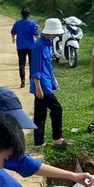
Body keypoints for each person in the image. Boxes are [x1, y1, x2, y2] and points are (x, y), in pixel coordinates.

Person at [31, 17, 72, 149]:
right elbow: (35, 69)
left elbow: (48, 65)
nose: (57, 35)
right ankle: (57, 138)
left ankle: (39, 142)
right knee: (56, 108)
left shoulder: (48, 44)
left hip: (47, 80)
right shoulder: (39, 46)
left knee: (40, 112)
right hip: (42, 84)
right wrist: (38, 87)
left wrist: (54, 78)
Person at [11, 8, 39, 87]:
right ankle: (31, 80)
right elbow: (36, 35)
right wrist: (40, 42)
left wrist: (13, 39)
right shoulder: (32, 24)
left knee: (21, 64)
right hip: (31, 47)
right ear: (29, 15)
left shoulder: (17, 23)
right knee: (31, 64)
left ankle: (22, 80)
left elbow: (13, 32)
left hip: (20, 47)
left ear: (21, 15)